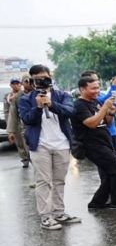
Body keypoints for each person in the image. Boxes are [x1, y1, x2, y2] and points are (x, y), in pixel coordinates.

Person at [17, 65, 82, 230]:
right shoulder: (25, 99)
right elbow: (27, 119)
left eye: (45, 77)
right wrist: (38, 107)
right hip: (40, 145)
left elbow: (69, 112)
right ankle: (46, 217)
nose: (42, 81)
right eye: (38, 78)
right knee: (43, 182)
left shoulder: (62, 95)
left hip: (61, 144)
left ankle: (59, 212)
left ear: (50, 77)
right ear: (32, 80)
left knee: (59, 181)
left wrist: (51, 104)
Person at [72, 76, 116, 210]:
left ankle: (97, 202)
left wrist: (110, 113)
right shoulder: (79, 105)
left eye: (98, 87)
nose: (97, 91)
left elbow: (106, 122)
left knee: (110, 173)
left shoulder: (94, 102)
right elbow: (92, 124)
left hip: (104, 142)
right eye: (93, 88)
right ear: (82, 89)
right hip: (91, 145)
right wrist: (104, 108)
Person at [6, 78, 30, 168]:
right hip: (14, 122)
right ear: (11, 85)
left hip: (24, 123)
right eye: (14, 83)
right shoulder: (8, 96)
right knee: (19, 143)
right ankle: (24, 159)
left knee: (26, 143)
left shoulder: (24, 94)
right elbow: (8, 111)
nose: (16, 85)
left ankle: (30, 158)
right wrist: (10, 128)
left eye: (17, 83)